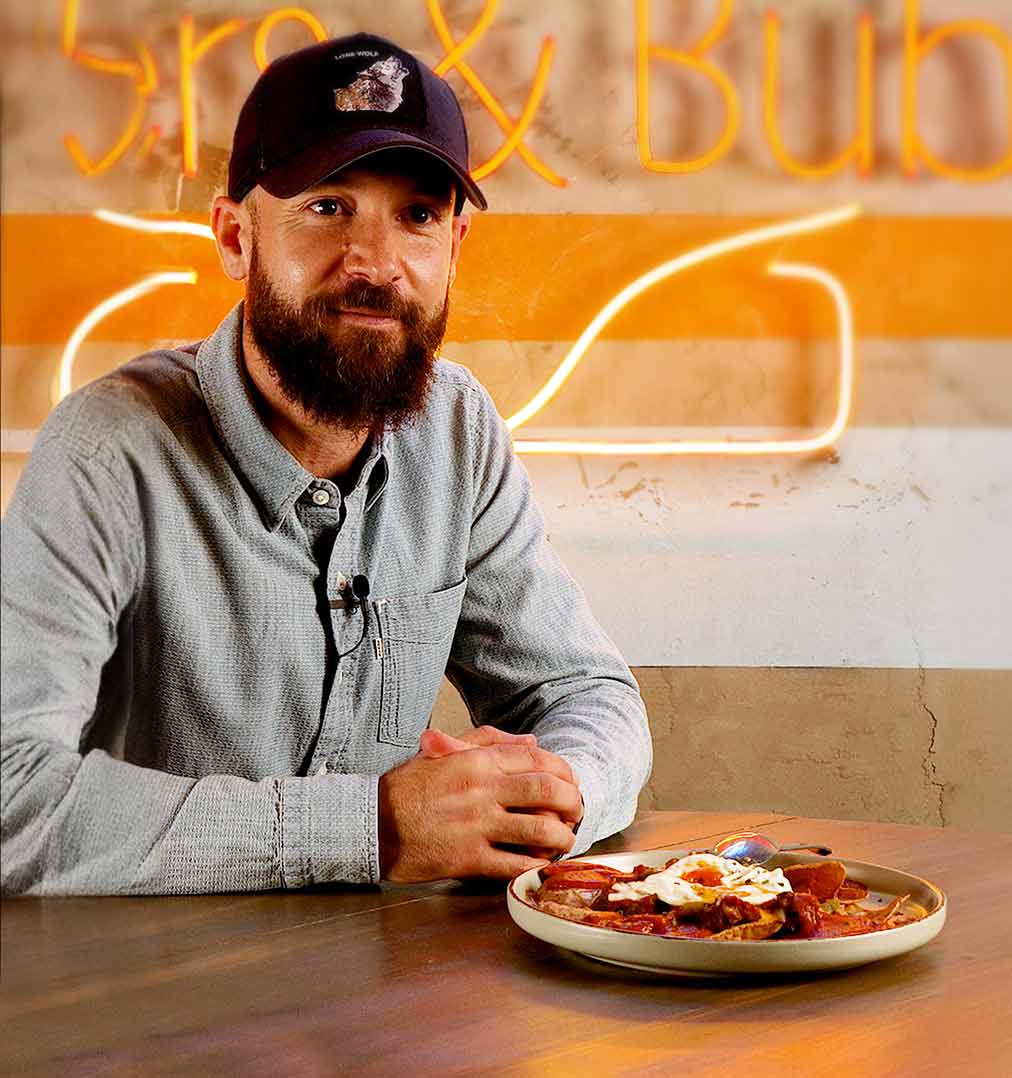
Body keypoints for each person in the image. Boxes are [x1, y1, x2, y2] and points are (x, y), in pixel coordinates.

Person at [1, 33, 651, 895]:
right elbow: (12, 795)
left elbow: (585, 694)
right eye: (328, 206)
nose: (376, 264)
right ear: (235, 238)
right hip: (151, 972)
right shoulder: (107, 451)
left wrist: (546, 798)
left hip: (388, 969)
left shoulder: (459, 431)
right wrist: (373, 828)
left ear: (454, 247)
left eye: (418, 216)